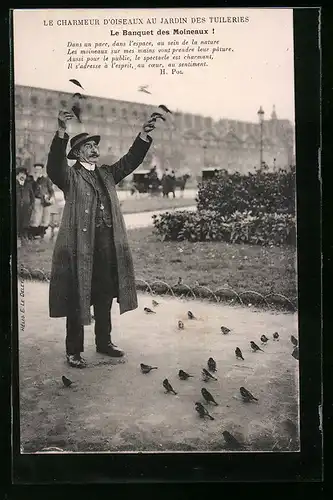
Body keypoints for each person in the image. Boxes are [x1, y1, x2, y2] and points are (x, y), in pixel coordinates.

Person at [47, 110, 156, 368]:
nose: (94, 149)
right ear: (77, 153)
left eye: (95, 145)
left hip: (107, 245)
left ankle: (103, 342)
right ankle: (73, 350)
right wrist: (62, 131)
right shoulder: (70, 176)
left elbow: (130, 162)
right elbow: (54, 166)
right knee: (77, 296)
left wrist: (143, 135)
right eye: (88, 146)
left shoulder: (107, 173)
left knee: (105, 294)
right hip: (80, 247)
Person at [30, 163, 55, 239]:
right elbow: (30, 190)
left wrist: (50, 197)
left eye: (39, 169)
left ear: (42, 170)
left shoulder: (46, 180)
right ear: (34, 170)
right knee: (36, 217)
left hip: (46, 201)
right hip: (37, 199)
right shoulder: (31, 179)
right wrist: (34, 180)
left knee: (45, 217)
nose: (38, 170)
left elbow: (51, 190)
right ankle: (34, 233)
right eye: (36, 169)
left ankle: (42, 233)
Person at [16, 166, 35, 241]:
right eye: (20, 174)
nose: (22, 176)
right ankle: (17, 236)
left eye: (24, 175)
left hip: (26, 207)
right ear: (17, 176)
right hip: (17, 208)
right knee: (17, 221)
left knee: (25, 222)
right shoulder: (14, 184)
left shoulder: (28, 185)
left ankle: (24, 236)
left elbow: (32, 197)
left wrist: (31, 206)